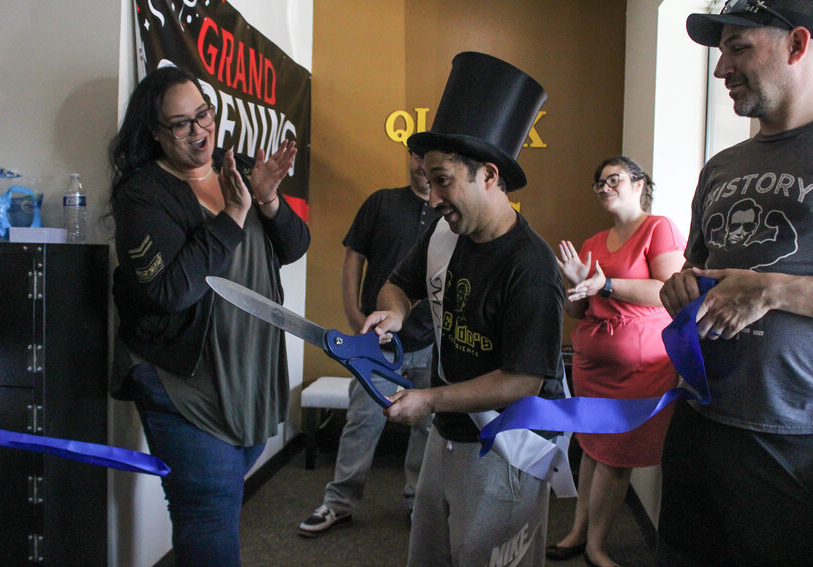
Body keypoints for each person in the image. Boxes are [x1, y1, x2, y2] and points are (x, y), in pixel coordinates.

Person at [362, 52, 566, 567]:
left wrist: (427, 400)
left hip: (507, 450)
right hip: (447, 435)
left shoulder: (531, 267)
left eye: (443, 180)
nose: (431, 199)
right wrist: (393, 313)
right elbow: (398, 284)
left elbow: (522, 381)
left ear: (489, 176)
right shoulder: (443, 231)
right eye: (428, 182)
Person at [108, 66, 310, 567]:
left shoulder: (236, 168)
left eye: (203, 115)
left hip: (248, 373)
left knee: (220, 500)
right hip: (184, 379)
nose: (199, 132)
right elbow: (171, 291)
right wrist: (233, 215)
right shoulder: (143, 194)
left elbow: (293, 246)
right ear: (155, 132)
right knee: (208, 516)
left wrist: (265, 199)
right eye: (180, 124)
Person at [657, 2, 813, 565]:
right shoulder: (720, 166)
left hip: (790, 436)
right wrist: (680, 289)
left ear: (797, 45)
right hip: (699, 416)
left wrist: (773, 290)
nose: (721, 69)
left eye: (739, 48)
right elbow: (693, 271)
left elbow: (759, 286)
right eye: (721, 53)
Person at [548, 157, 685, 567]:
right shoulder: (592, 243)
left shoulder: (658, 228)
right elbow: (580, 311)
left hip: (640, 370)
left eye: (614, 179)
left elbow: (668, 291)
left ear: (639, 183)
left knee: (616, 456)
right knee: (592, 448)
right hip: (593, 366)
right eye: (599, 183)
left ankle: (596, 546)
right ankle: (577, 533)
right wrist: (576, 285)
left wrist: (606, 283)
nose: (605, 187)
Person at [298, 150, 440, 536]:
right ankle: (338, 502)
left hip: (431, 340)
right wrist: (351, 311)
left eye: (432, 162)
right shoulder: (382, 202)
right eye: (417, 157)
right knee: (361, 422)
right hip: (375, 341)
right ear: (410, 158)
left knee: (426, 428)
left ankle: (417, 503)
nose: (422, 168)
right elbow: (353, 256)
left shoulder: (449, 211)